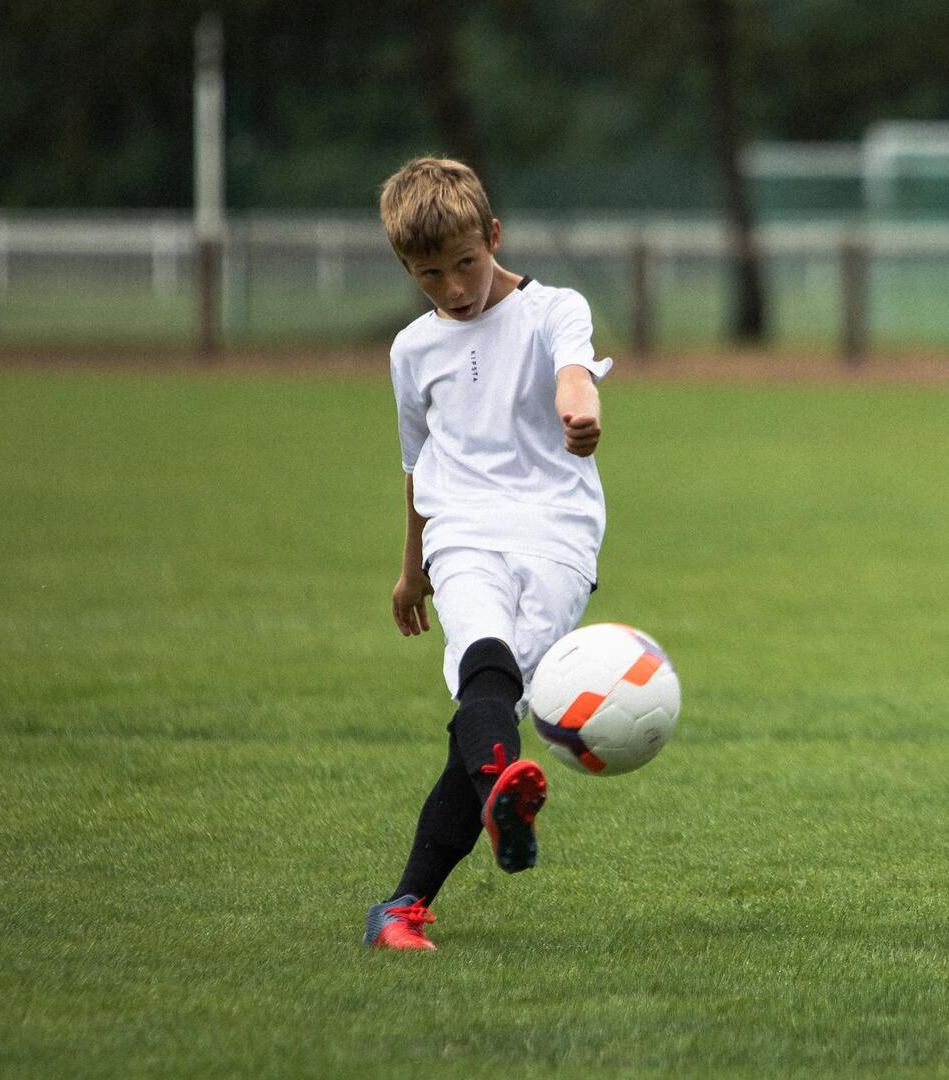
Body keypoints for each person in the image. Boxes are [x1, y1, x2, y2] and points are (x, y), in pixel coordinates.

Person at [362, 157, 612, 950]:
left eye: (465, 263)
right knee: (484, 665)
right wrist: (412, 570)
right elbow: (415, 466)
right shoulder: (411, 352)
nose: (453, 288)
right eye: (428, 274)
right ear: (408, 268)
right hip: (460, 531)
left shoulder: (553, 310)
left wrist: (580, 412)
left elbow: (576, 377)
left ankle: (403, 902)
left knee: (486, 714)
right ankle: (489, 804)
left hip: (557, 533)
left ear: (493, 236)